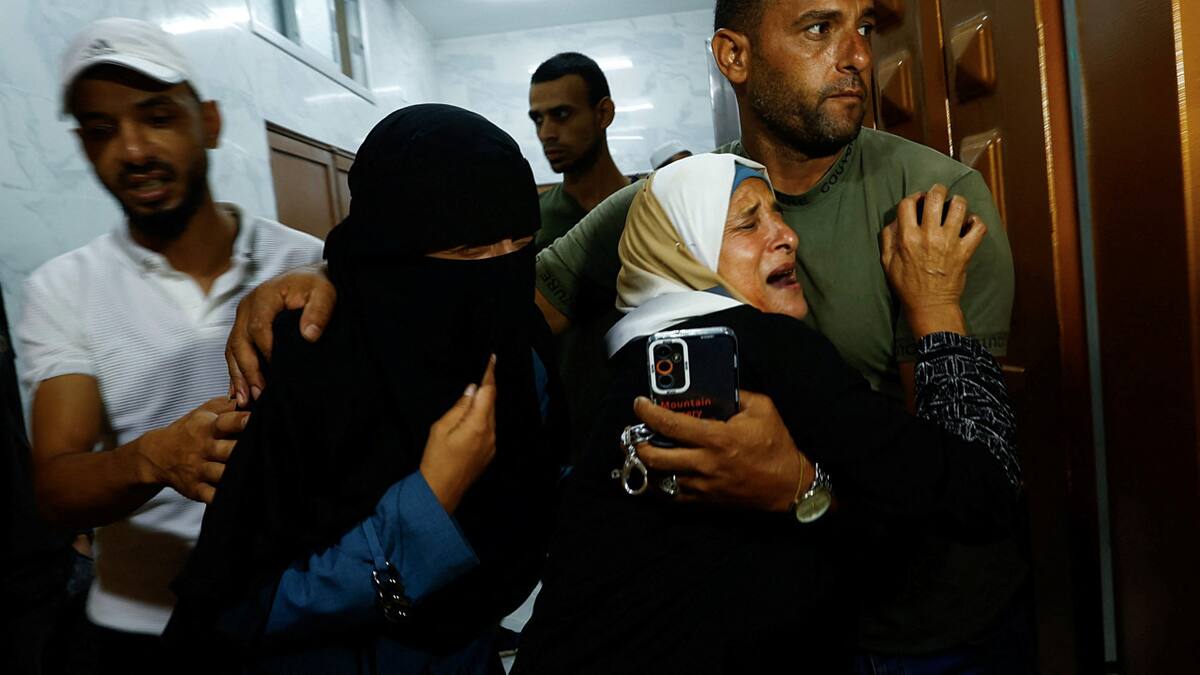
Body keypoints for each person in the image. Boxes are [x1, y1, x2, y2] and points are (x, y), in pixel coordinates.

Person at [223, 0, 1028, 668]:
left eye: (865, 25)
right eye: (820, 28)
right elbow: (477, 298)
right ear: (734, 55)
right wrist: (339, 281)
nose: (856, 54)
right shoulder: (666, 204)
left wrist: (800, 484)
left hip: (922, 629)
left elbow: (957, 476)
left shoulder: (932, 202)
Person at [513, 152, 1019, 673]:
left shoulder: (633, 366)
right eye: (748, 223)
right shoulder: (767, 348)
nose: (787, 236)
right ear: (684, 248)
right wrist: (936, 309)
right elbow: (980, 493)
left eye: (779, 215)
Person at [166, 104, 563, 674]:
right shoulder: (312, 357)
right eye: (468, 252)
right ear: (391, 253)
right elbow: (240, 608)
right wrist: (428, 503)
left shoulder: (522, 344)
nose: (501, 269)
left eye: (520, 243)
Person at [16, 18, 324, 674]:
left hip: (295, 613)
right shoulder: (62, 288)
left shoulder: (305, 262)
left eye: (156, 116)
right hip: (144, 630)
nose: (131, 150)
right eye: (101, 131)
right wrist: (154, 458)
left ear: (207, 122)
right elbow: (56, 487)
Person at [528, 52, 631, 252]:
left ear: (603, 114)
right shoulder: (532, 220)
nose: (546, 133)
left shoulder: (649, 205)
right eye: (538, 119)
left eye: (561, 114)